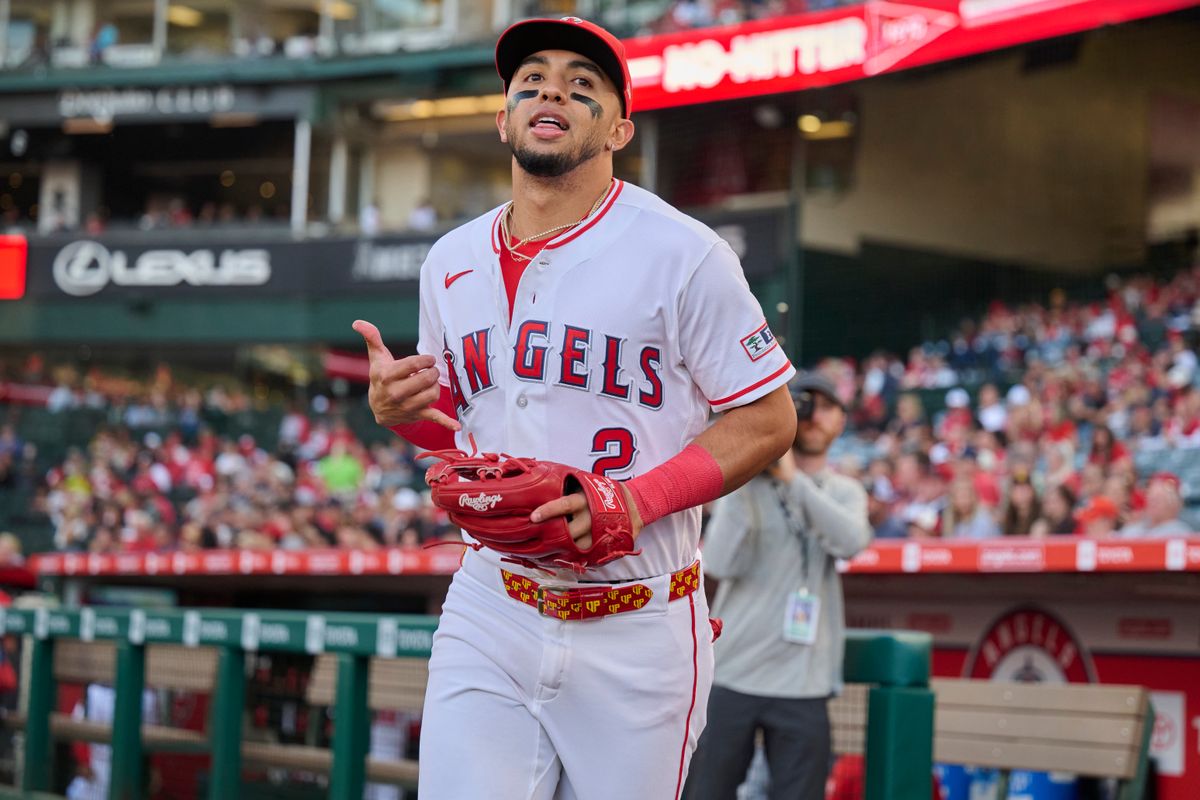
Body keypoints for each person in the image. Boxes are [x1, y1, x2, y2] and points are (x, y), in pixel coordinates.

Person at [353, 16, 796, 798]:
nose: (551, 89)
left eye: (581, 84)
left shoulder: (685, 252)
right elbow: (458, 431)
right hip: (494, 602)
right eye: (531, 81)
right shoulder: (449, 259)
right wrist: (401, 412)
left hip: (637, 618)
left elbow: (768, 419)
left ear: (619, 127)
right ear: (504, 120)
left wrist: (637, 500)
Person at [684, 373, 872, 800]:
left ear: (842, 421)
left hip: (804, 683)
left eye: (825, 407)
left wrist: (793, 481)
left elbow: (851, 542)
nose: (813, 416)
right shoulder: (748, 485)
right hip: (734, 674)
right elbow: (722, 562)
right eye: (803, 405)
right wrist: (746, 471)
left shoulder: (845, 491)